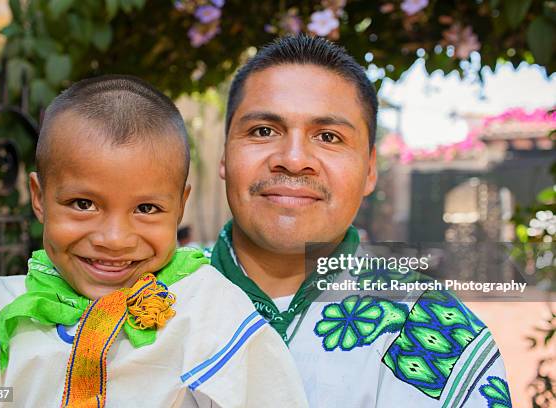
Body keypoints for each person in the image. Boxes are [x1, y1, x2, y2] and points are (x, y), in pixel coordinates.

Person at [0, 76, 308, 408]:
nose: (115, 240)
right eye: (83, 205)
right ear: (39, 198)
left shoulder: (208, 309)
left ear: (180, 207)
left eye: (146, 208)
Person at [211, 35, 511, 407]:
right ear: (224, 154)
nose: (292, 158)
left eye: (328, 136)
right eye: (263, 131)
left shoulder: (443, 332)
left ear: (370, 170)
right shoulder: (144, 301)